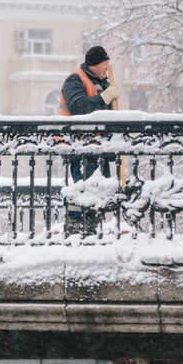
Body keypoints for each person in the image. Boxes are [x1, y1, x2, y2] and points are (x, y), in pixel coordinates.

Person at [58, 46, 120, 235]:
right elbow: (77, 108)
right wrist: (104, 98)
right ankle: (78, 232)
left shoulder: (102, 82)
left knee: (98, 193)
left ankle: (92, 231)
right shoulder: (75, 79)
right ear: (94, 64)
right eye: (104, 63)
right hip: (79, 146)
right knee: (84, 191)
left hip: (98, 147)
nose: (107, 67)